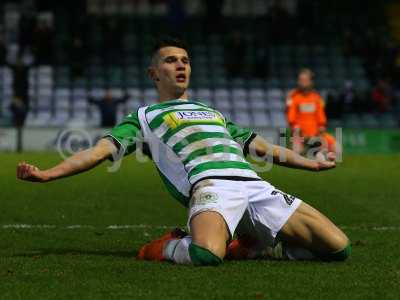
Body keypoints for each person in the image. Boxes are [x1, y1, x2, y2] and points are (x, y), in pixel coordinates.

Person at [16, 37, 351, 266]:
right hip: (211, 187)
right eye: (171, 60)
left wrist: (310, 164)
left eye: (186, 61)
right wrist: (49, 174)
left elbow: (262, 147)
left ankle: (263, 244)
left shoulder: (214, 113)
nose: (181, 65)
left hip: (254, 185)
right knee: (206, 255)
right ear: (153, 73)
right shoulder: (143, 117)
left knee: (338, 248)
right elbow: (100, 151)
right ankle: (164, 246)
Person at [286, 69, 338, 157]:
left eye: (305, 80)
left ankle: (315, 151)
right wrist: (297, 129)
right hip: (300, 135)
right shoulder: (294, 97)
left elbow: (321, 117)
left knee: (337, 149)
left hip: (316, 134)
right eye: (300, 80)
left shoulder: (316, 98)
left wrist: (321, 127)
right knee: (296, 153)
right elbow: (291, 118)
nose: (301, 82)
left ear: (311, 82)